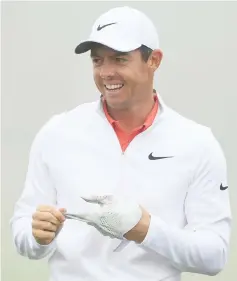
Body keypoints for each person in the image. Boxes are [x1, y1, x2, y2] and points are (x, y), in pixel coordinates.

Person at [10, 6, 231, 281]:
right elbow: (23, 229)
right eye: (97, 61)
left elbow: (214, 255)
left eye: (119, 59)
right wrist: (37, 237)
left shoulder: (197, 143)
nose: (106, 72)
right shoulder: (57, 133)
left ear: (154, 60)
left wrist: (145, 230)